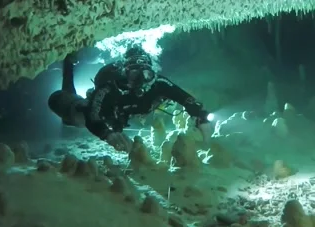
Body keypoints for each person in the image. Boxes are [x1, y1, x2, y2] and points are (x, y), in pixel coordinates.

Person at [48, 46, 212, 152]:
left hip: (129, 114)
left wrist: (201, 117)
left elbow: (186, 99)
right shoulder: (109, 86)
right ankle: (69, 64)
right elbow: (92, 116)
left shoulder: (159, 83)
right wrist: (107, 134)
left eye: (146, 75)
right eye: (134, 75)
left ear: (153, 73)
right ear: (124, 73)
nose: (141, 82)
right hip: (108, 113)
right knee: (61, 104)